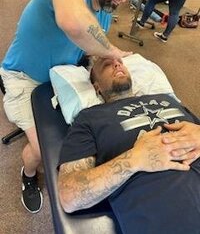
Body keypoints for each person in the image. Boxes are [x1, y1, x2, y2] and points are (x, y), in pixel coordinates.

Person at [0, 0, 144, 213]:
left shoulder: (105, 14)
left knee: (91, 134)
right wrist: (112, 51)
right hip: (24, 79)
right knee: (43, 151)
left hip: (62, 73)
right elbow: (72, 21)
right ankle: (28, 174)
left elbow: (89, 50)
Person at [57, 58, 200, 233]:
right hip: (173, 217)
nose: (117, 64)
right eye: (106, 65)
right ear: (96, 86)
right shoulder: (89, 118)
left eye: (119, 62)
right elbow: (69, 196)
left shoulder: (166, 98)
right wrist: (135, 158)